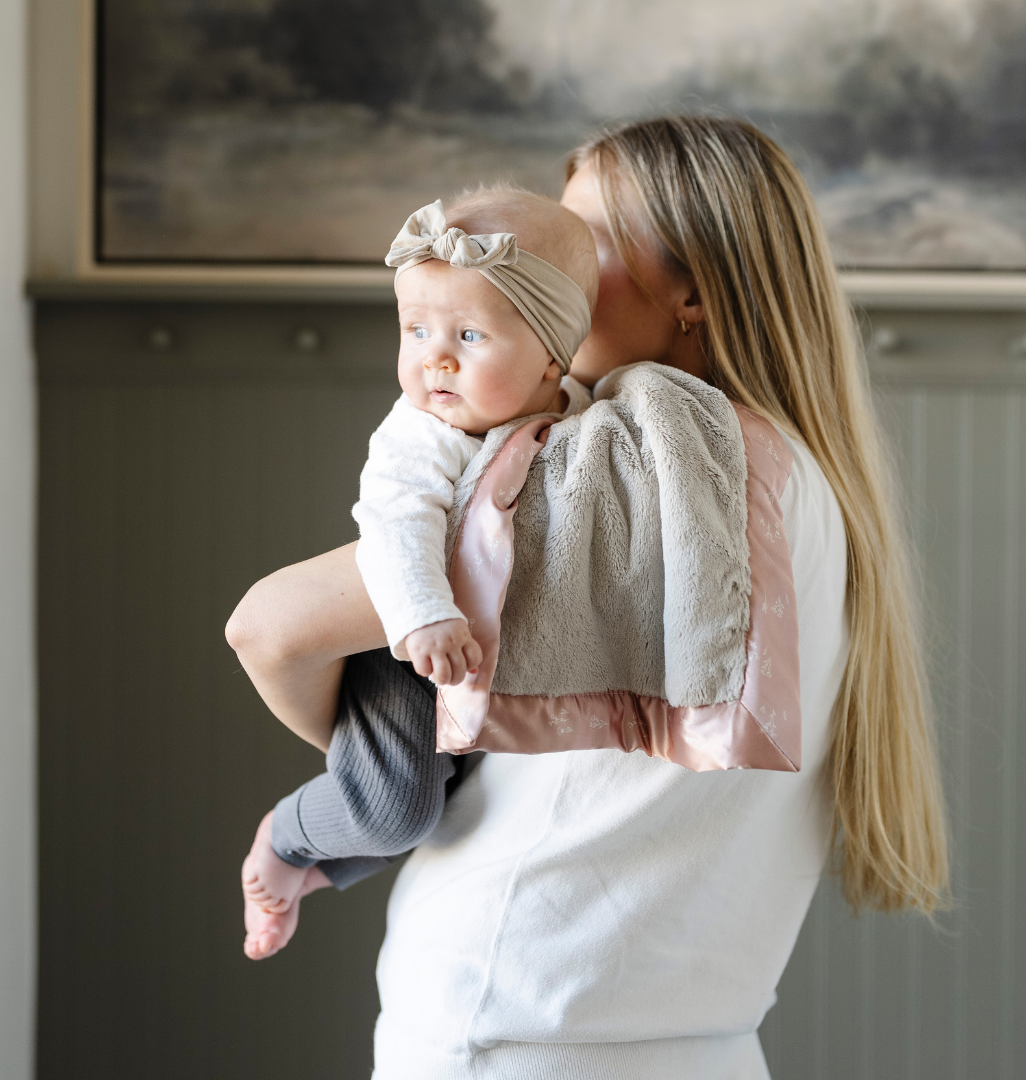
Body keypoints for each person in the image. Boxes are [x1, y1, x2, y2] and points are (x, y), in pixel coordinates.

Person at [226, 116, 949, 1079]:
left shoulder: (625, 468)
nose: (547, 275)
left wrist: (377, 766)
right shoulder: (803, 479)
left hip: (518, 1024)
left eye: (584, 246)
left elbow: (267, 626)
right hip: (700, 1040)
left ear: (692, 290)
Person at [238, 187, 598, 951]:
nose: (434, 357)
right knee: (398, 809)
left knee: (452, 793)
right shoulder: (425, 431)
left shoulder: (578, 411)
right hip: (402, 646)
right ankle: (289, 836)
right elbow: (394, 524)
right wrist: (423, 618)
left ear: (552, 358)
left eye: (468, 334)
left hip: (468, 648)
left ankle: (321, 873)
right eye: (415, 331)